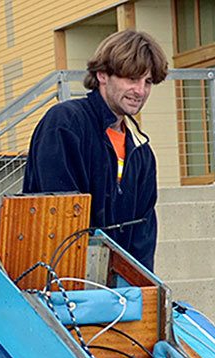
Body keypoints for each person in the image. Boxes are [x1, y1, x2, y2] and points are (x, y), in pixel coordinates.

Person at [22, 30, 168, 271]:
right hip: (55, 283)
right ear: (102, 75)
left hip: (114, 292)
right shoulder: (66, 124)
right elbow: (62, 217)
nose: (140, 91)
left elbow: (143, 237)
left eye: (148, 82)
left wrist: (141, 293)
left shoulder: (141, 151)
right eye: (132, 79)